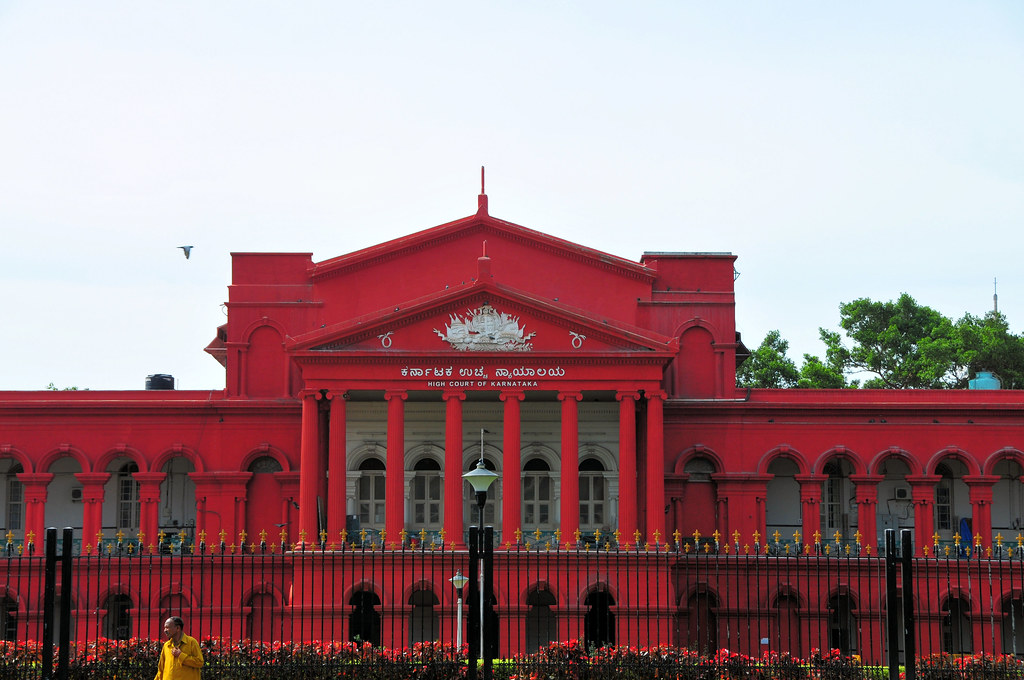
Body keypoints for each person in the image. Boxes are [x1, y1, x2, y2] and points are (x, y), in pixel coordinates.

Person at [154, 616, 204, 680]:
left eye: (167, 628)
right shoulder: (167, 645)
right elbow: (161, 669)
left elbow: (199, 662)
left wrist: (181, 655)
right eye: (164, 628)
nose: (165, 630)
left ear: (178, 628)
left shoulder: (191, 642)